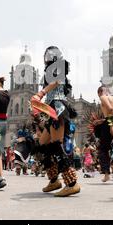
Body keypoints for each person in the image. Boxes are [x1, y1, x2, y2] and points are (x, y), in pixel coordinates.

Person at [31, 46, 80, 197]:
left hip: (58, 107)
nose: (45, 57)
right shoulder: (51, 69)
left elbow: (58, 81)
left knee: (56, 145)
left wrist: (41, 93)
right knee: (42, 144)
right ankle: (54, 181)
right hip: (51, 108)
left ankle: (72, 184)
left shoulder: (58, 67)